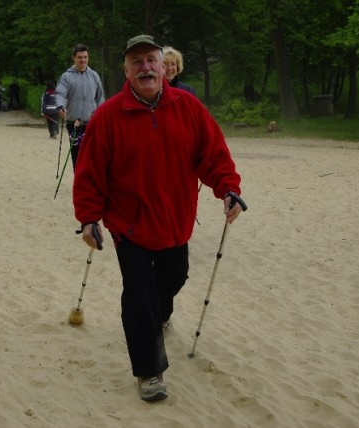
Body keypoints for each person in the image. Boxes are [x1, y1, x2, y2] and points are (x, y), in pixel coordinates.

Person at [72, 35, 244, 402]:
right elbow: (89, 173)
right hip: (128, 225)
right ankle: (149, 372)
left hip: (175, 220)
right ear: (127, 71)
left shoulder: (189, 107)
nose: (145, 67)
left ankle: (159, 314)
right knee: (138, 294)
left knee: (174, 277)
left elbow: (213, 156)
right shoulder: (107, 117)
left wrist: (228, 189)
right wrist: (89, 218)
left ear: (163, 66)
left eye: (151, 59)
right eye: (137, 62)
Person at [55, 43, 105, 169]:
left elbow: (100, 98)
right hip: (74, 123)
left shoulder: (94, 76)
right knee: (76, 154)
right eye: (80, 57)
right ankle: (79, 181)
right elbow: (60, 93)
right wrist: (60, 106)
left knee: (93, 154)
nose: (83, 60)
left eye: (85, 57)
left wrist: (100, 113)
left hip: (92, 123)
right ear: (74, 58)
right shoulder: (66, 77)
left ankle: (91, 183)